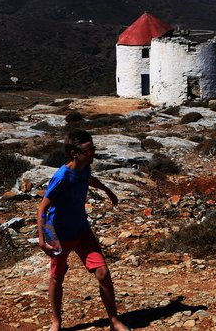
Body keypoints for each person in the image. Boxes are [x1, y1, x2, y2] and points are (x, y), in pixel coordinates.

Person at [37, 129, 130, 331]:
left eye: (93, 149)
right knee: (57, 276)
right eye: (88, 151)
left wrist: (108, 191)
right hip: (58, 233)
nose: (92, 154)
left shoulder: (85, 167)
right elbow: (43, 208)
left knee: (103, 273)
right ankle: (56, 322)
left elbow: (90, 180)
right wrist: (43, 238)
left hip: (81, 229)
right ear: (74, 153)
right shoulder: (62, 177)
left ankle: (114, 321)